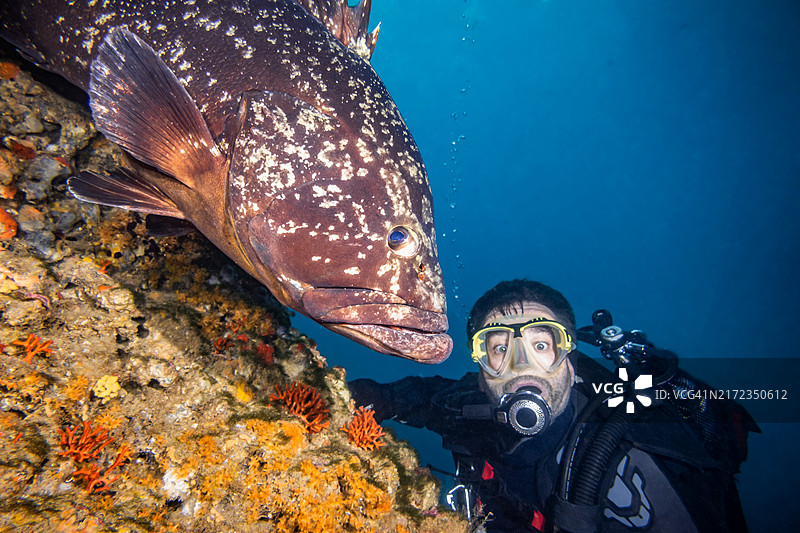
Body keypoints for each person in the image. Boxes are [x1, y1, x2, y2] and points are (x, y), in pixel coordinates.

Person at [349, 279, 757, 532]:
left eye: (541, 345)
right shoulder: (468, 410)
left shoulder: (629, 450)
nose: (521, 363)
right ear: (480, 367)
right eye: (498, 348)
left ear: (570, 357)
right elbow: (424, 395)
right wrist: (349, 397)